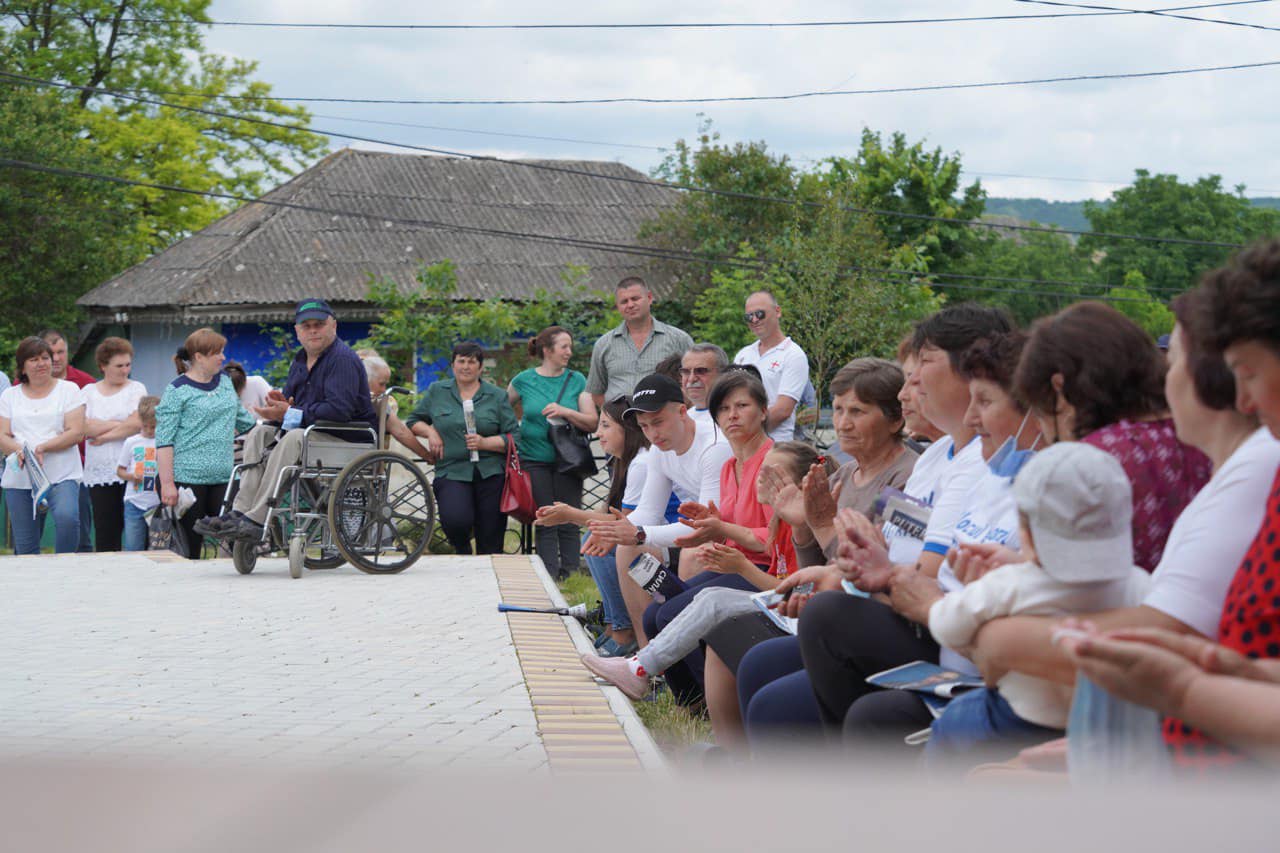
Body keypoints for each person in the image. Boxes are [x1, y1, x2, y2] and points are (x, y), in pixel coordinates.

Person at [721, 305, 1010, 746]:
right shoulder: (928, 459)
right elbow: (884, 552)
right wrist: (812, 535)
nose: (910, 389)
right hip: (900, 610)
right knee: (763, 664)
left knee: (823, 625)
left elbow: (913, 573)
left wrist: (831, 546)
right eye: (838, 410)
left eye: (856, 411)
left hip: (929, 629)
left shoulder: (926, 468)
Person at [924, 443, 1150, 770]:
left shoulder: (1011, 583)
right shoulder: (1139, 584)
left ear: (1026, 531)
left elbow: (946, 625)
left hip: (1014, 720)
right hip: (1103, 724)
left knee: (950, 725)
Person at [579, 441, 815, 717]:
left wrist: (741, 567)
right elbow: (755, 542)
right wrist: (717, 530)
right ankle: (668, 687)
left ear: (800, 485)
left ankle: (642, 671)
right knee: (683, 604)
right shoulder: (780, 519)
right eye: (761, 469)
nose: (760, 477)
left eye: (773, 473)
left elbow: (794, 591)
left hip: (795, 611)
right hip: (778, 596)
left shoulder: (800, 524)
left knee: (710, 602)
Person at [1014, 301, 1211, 571]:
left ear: (1060, 389)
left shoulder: (1090, 464)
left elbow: (1064, 579)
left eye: (1041, 413)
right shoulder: (1198, 437)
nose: (1044, 432)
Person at [199, 299, 378, 542]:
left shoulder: (342, 359)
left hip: (346, 439)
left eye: (319, 324)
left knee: (294, 437)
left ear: (333, 326)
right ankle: (241, 511)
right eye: (306, 326)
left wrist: (290, 413)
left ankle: (258, 518)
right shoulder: (300, 359)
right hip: (313, 436)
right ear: (297, 331)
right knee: (258, 433)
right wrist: (277, 409)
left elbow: (338, 411)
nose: (313, 330)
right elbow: (293, 408)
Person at [584, 373, 734, 644]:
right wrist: (616, 530)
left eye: (658, 422)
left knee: (693, 553)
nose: (652, 434)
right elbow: (648, 512)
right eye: (644, 426)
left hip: (731, 533)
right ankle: (646, 653)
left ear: (682, 412)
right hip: (702, 532)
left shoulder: (714, 447)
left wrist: (638, 533)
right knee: (627, 547)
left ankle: (688, 653)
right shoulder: (658, 450)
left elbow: (706, 528)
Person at [772, 358, 918, 569]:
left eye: (857, 411)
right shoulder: (842, 476)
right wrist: (802, 526)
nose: (843, 424)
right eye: (838, 410)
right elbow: (814, 571)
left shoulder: (909, 478)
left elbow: (874, 570)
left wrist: (823, 527)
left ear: (896, 420)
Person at [536, 396, 649, 655]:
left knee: (601, 540)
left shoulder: (641, 463)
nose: (598, 434)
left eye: (606, 426)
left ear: (628, 430)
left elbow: (625, 523)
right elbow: (606, 512)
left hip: (656, 540)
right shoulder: (622, 461)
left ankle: (623, 630)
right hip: (644, 535)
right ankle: (613, 623)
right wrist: (566, 513)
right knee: (593, 535)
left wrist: (569, 514)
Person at [407, 342, 518, 555]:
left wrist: (485, 443)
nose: (466, 367)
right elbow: (413, 421)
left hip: (491, 473)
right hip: (452, 470)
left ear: (481, 367)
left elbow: (515, 437)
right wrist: (430, 432)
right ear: (453, 365)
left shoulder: (496, 395)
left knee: (491, 537)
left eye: (472, 362)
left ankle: (488, 571)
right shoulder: (437, 391)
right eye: (461, 361)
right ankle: (463, 549)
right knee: (455, 520)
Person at [508, 326, 598, 580]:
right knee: (545, 517)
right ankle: (548, 574)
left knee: (569, 517)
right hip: (533, 458)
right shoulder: (523, 380)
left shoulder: (577, 380)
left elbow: (592, 421)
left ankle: (571, 574)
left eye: (570, 347)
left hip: (569, 460)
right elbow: (501, 410)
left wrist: (566, 411)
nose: (569, 352)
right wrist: (512, 435)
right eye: (564, 347)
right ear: (547, 350)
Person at [156, 329, 256, 558]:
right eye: (217, 353)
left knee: (237, 542)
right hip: (188, 480)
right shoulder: (176, 390)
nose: (223, 357)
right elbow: (164, 441)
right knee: (189, 549)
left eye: (222, 351)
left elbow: (244, 421)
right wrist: (167, 484)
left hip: (225, 477)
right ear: (199, 357)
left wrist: (273, 424)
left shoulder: (225, 382)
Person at [0, 336, 85, 554]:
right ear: (23, 366)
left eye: (45, 358)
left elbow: (76, 431)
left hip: (62, 473)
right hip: (21, 477)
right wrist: (20, 450)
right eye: (34, 359)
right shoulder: (9, 395)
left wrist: (43, 447)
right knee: (26, 547)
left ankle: (64, 564)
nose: (41, 364)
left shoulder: (69, 390)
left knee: (67, 518)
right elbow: (2, 435)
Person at [81, 337, 147, 552]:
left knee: (137, 533)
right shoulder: (88, 392)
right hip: (100, 471)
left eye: (128, 364)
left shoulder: (136, 389)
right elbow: (84, 426)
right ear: (103, 366)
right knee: (106, 533)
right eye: (119, 366)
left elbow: (137, 424)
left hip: (132, 470)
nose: (125, 370)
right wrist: (120, 424)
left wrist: (104, 436)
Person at [586, 277, 694, 408]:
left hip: (663, 418)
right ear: (618, 306)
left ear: (649, 298)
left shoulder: (679, 339)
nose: (630, 305)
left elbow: (694, 382)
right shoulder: (603, 345)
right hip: (619, 419)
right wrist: (614, 415)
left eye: (635, 298)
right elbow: (596, 392)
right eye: (624, 301)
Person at [40, 329, 94, 552]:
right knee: (29, 537)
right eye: (49, 353)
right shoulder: (23, 384)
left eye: (61, 352)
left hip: (76, 469)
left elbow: (90, 425)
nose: (56, 358)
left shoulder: (84, 383)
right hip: (35, 469)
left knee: (78, 531)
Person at [733, 290, 810, 443]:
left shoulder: (793, 354)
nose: (754, 320)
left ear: (777, 311)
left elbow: (783, 410)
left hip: (776, 445)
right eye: (749, 316)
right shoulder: (743, 355)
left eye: (760, 314)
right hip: (743, 445)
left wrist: (747, 433)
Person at [116, 396, 161, 552]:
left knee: (158, 549)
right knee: (133, 548)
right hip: (134, 502)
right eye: (145, 426)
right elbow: (120, 470)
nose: (149, 430)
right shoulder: (131, 442)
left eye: (153, 427)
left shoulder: (164, 441)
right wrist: (131, 476)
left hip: (157, 504)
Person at [679, 343, 728, 428]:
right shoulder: (681, 420)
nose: (691, 379)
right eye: (686, 372)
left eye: (700, 371)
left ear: (722, 374)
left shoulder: (732, 418)